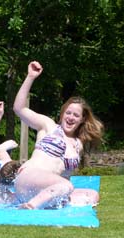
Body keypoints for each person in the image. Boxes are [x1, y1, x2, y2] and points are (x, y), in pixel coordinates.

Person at [13, 61, 104, 209]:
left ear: (82, 120)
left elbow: (65, 173)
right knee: (65, 186)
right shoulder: (48, 125)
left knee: (92, 195)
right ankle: (30, 206)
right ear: (62, 114)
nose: (70, 117)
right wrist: (30, 77)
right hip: (29, 179)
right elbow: (19, 108)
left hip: (51, 188)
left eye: (76, 115)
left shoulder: (78, 144)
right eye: (68, 113)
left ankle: (50, 203)